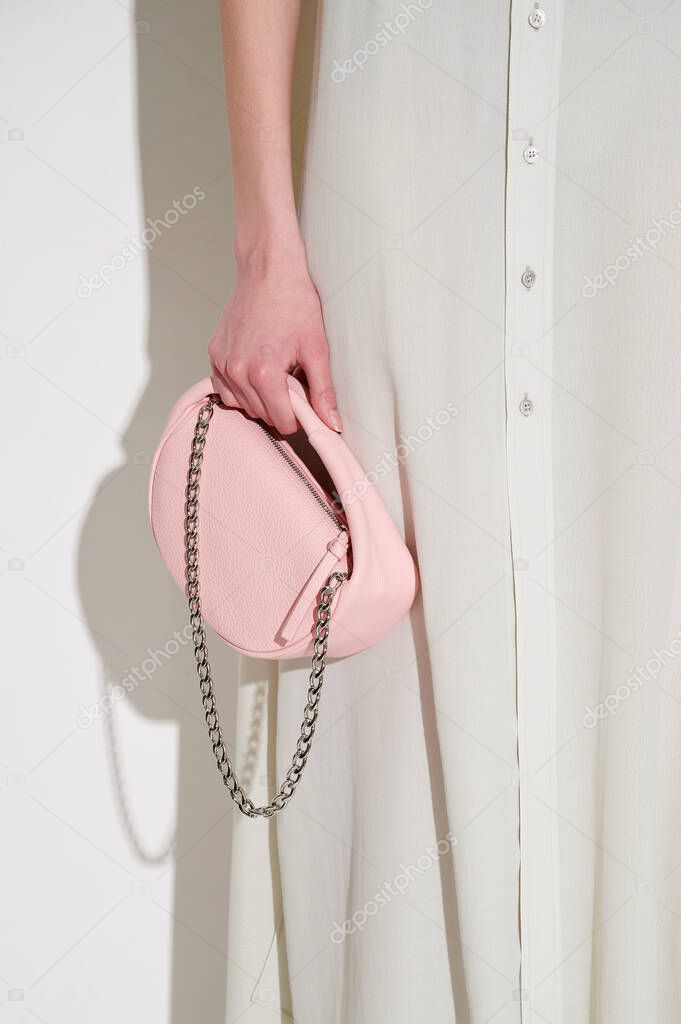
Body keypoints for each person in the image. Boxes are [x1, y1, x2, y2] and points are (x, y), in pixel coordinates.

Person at [211, 3, 681, 1022]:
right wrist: (264, 241)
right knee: (383, 651)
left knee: (648, 614)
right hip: (405, 114)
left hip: (652, 130)